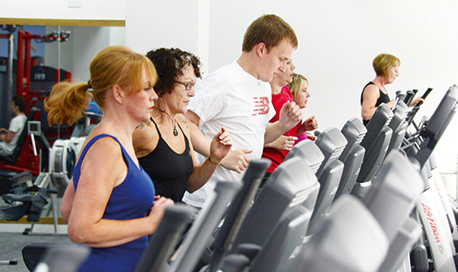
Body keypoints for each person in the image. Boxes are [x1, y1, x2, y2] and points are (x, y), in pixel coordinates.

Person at [46, 45, 174, 272]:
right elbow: (81, 230)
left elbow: (68, 208)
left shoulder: (109, 137)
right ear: (118, 93)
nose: (154, 96)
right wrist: (149, 223)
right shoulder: (107, 147)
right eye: (146, 88)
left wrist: (133, 207)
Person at [183, 14, 302, 208]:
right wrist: (219, 157)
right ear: (261, 49)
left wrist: (282, 125)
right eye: (281, 59)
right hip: (208, 201)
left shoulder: (263, 84)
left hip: (239, 197)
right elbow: (185, 123)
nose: (283, 67)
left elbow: (257, 135)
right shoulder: (222, 81)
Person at [132, 48, 232, 203]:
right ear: (165, 84)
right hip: (146, 222)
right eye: (187, 85)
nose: (192, 93)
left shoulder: (181, 122)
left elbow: (191, 184)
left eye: (192, 85)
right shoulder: (144, 130)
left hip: (170, 221)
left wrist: (214, 158)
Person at [262, 65, 318, 179]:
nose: (293, 67)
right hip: (267, 167)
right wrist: (271, 142)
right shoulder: (265, 98)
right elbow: (248, 134)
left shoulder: (286, 92)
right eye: (287, 62)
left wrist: (302, 129)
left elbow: (287, 135)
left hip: (281, 165)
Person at [361, 53, 423, 126]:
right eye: (395, 71)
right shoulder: (372, 88)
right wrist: (390, 104)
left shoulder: (382, 88)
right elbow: (366, 114)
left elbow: (387, 111)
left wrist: (410, 103)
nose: (397, 74)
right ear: (386, 69)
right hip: (372, 135)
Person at [287, 73, 317, 143]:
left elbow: (292, 135)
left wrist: (303, 130)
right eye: (304, 91)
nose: (308, 95)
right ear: (292, 92)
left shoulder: (297, 116)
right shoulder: (287, 117)